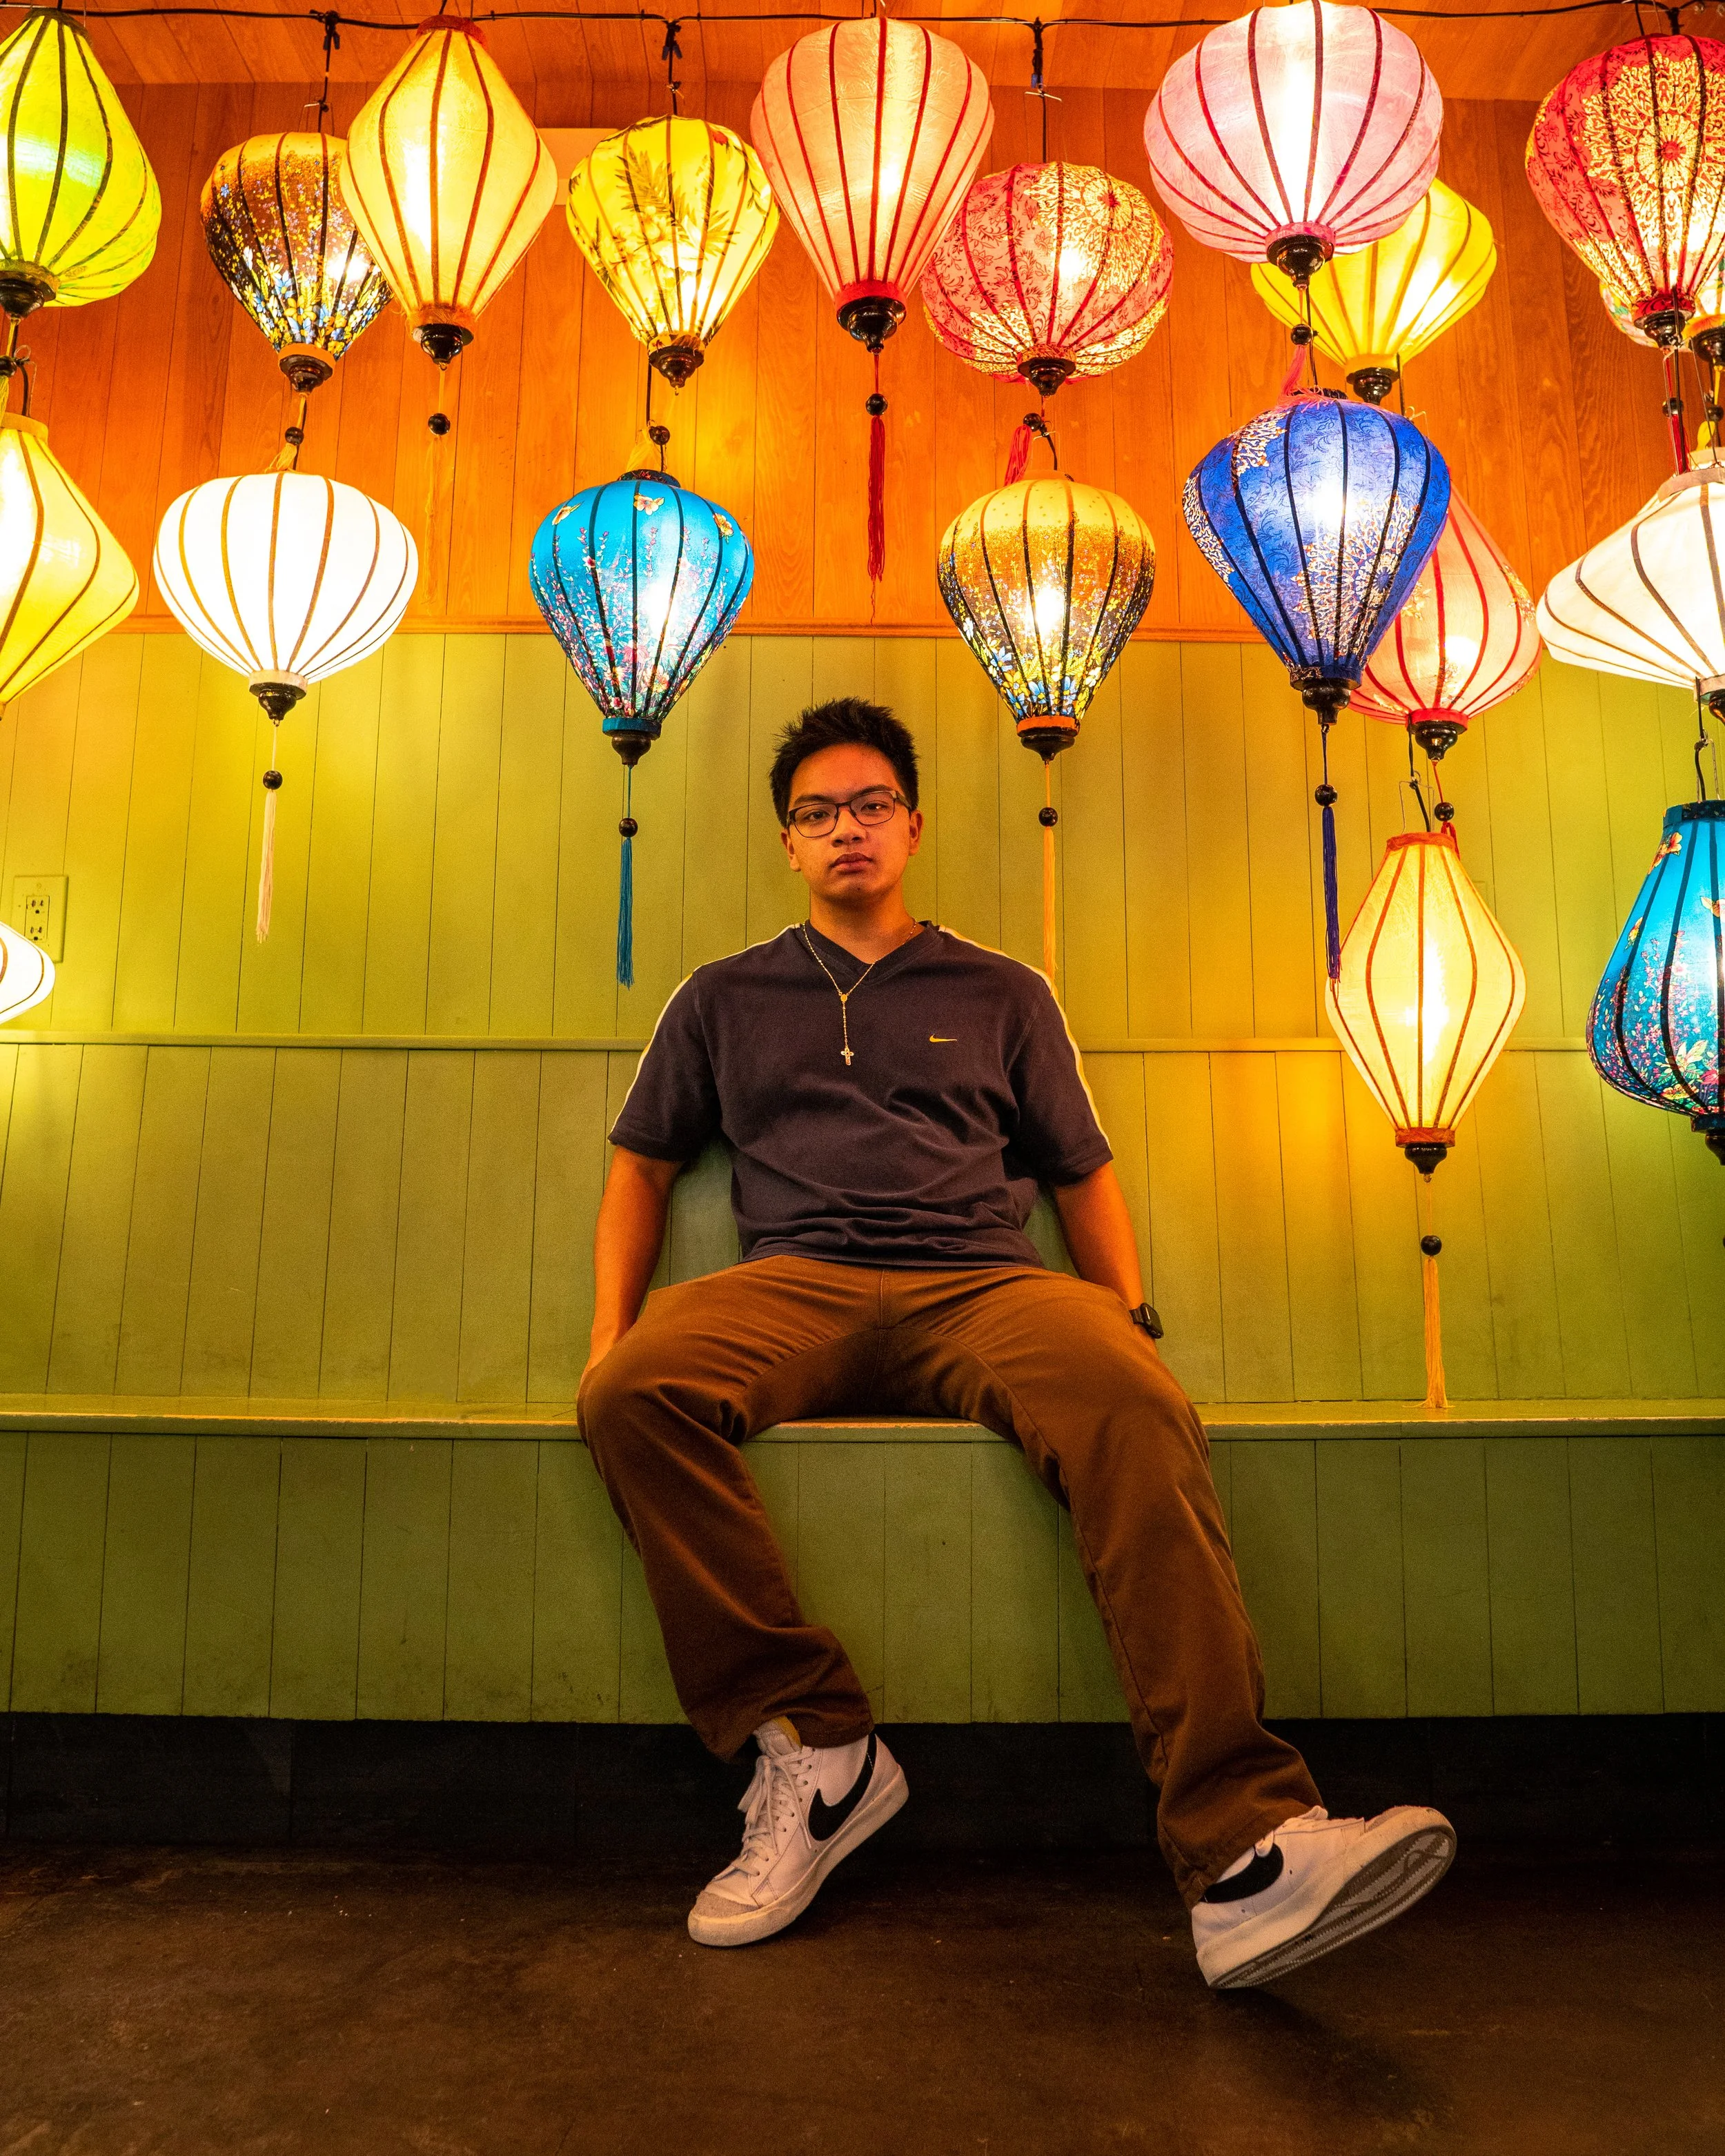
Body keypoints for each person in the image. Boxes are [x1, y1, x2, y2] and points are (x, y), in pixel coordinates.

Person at [577, 696, 1454, 1988]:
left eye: (869, 805)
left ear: (912, 823)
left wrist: (1124, 1311)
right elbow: (640, 1169)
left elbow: (1079, 1170)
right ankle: (816, 1748)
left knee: (1137, 1404)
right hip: (798, 1282)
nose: (845, 831)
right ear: (788, 843)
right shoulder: (722, 997)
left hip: (984, 1280)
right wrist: (609, 1337)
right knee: (632, 1393)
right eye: (816, 814)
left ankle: (1247, 1851)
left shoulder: (1001, 989)